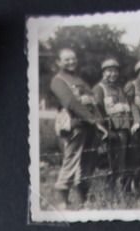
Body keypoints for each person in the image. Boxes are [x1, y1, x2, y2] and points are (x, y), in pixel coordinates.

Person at [49, 47, 105, 208]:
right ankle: (63, 202)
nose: (71, 61)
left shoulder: (79, 81)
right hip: (75, 126)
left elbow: (93, 103)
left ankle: (83, 201)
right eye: (66, 59)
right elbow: (71, 103)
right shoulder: (58, 80)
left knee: (87, 164)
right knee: (71, 161)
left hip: (90, 128)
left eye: (73, 58)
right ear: (58, 62)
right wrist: (93, 121)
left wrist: (99, 123)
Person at [92, 59, 140, 192]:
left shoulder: (120, 88)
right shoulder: (99, 89)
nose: (113, 74)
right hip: (113, 132)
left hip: (126, 131)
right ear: (103, 73)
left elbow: (131, 105)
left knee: (126, 162)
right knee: (113, 164)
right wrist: (106, 131)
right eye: (110, 71)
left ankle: (125, 190)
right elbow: (96, 112)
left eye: (115, 71)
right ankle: (112, 192)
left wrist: (137, 121)